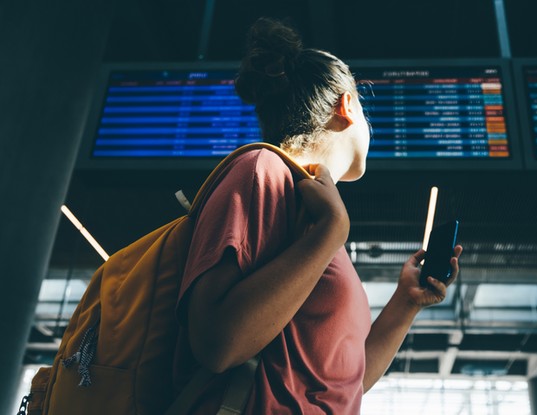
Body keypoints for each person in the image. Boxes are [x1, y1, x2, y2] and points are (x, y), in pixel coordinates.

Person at [173, 17, 463, 414]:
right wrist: (332, 232)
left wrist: (406, 303)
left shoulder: (314, 218)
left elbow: (343, 383)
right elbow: (217, 346)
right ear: (346, 106)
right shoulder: (263, 171)